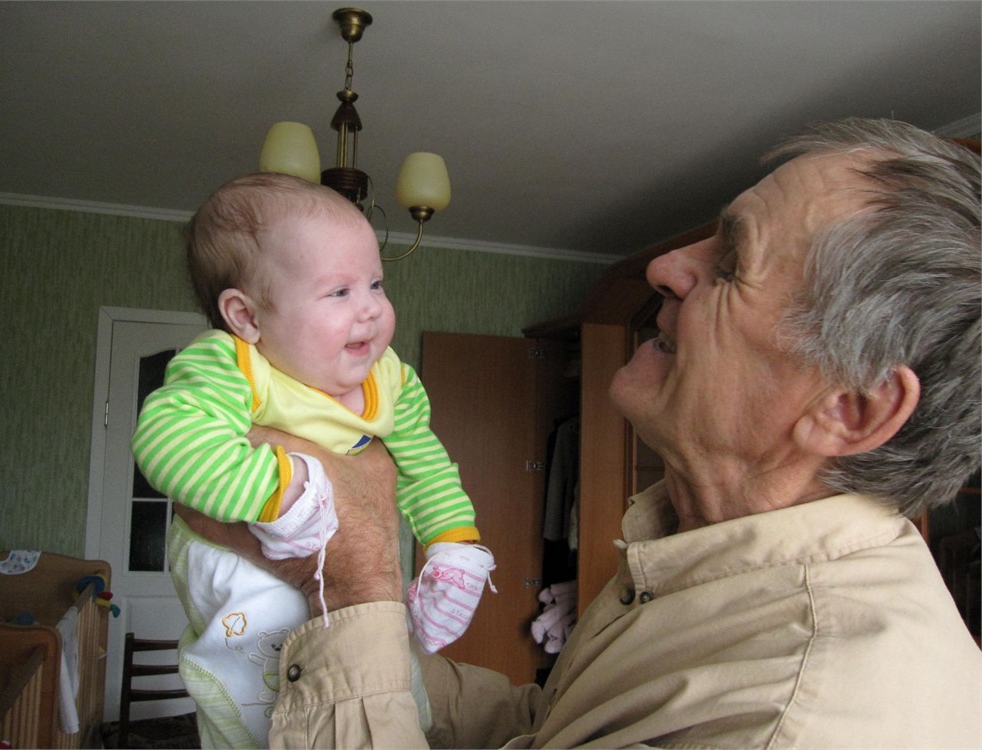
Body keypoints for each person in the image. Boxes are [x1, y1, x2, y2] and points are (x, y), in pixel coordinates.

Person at [181, 118, 982, 748]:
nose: (666, 265)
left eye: (731, 263)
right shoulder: (700, 553)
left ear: (850, 409)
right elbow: (553, 728)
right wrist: (339, 636)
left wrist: (355, 581)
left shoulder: (795, 718)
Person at [130, 174, 496, 748]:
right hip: (238, 554)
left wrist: (454, 546)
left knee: (372, 662)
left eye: (375, 284)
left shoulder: (392, 380)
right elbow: (168, 439)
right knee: (257, 697)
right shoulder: (233, 363)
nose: (370, 309)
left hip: (337, 573)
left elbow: (426, 466)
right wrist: (275, 490)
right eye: (339, 292)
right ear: (247, 317)